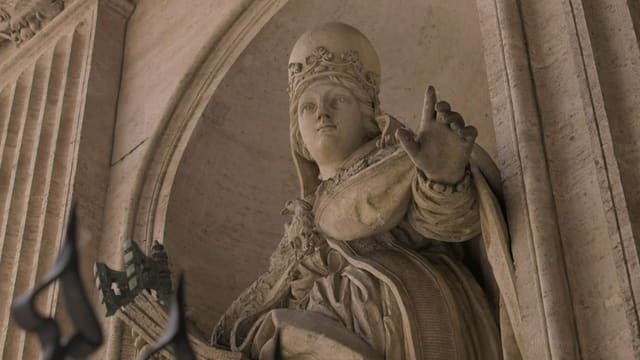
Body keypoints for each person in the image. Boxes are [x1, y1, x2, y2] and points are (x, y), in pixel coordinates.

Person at [211, 22, 522, 360]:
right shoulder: (301, 223)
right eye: (308, 107)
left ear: (367, 114)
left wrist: (442, 176)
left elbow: (452, 226)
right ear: (297, 135)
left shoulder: (400, 161)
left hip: (413, 318)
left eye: (338, 100)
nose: (322, 114)